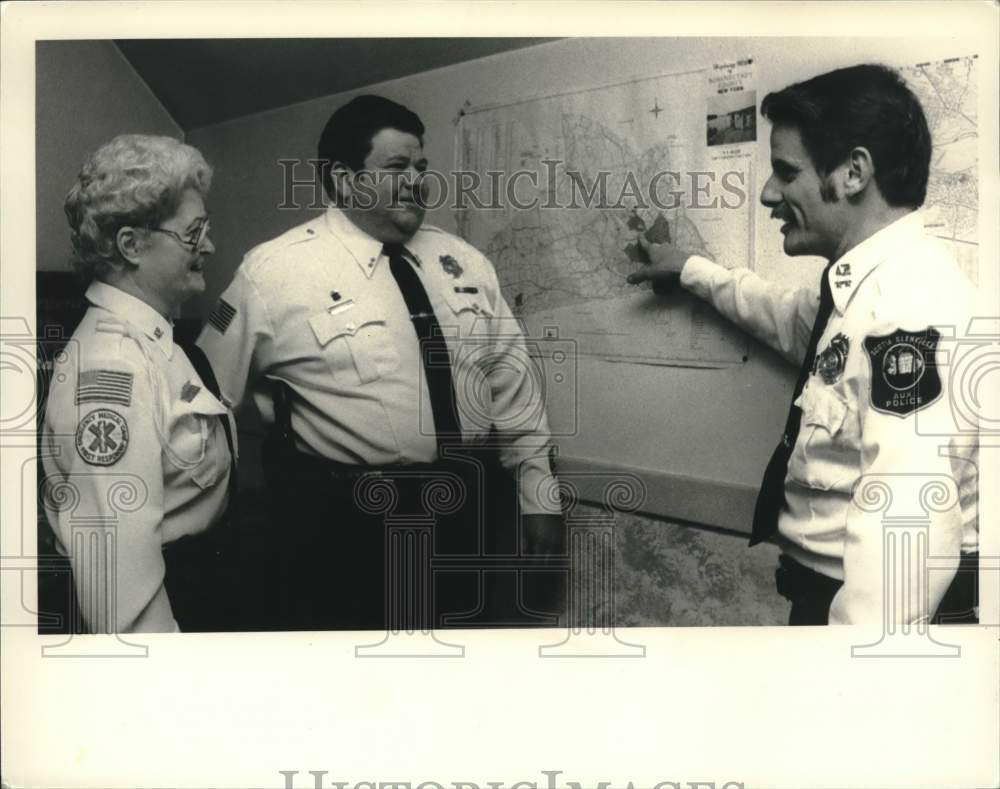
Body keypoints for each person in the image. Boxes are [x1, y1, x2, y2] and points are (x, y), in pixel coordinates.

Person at [629, 64, 978, 626]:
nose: (768, 193)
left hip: (861, 621)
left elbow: (904, 540)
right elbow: (785, 318)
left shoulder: (909, 309)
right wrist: (689, 270)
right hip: (825, 599)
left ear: (853, 172)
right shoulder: (857, 296)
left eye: (785, 172)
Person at [197, 95, 563, 631]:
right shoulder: (275, 271)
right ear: (344, 181)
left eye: (420, 167)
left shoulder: (463, 261)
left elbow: (514, 389)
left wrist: (540, 499)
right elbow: (209, 395)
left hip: (471, 514)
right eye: (396, 168)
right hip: (348, 528)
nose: (416, 181)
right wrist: (282, 420)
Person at [41, 135, 238, 633]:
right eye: (193, 233)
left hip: (206, 580)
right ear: (132, 245)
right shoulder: (113, 368)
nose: (209, 246)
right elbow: (120, 588)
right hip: (169, 603)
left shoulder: (157, 340)